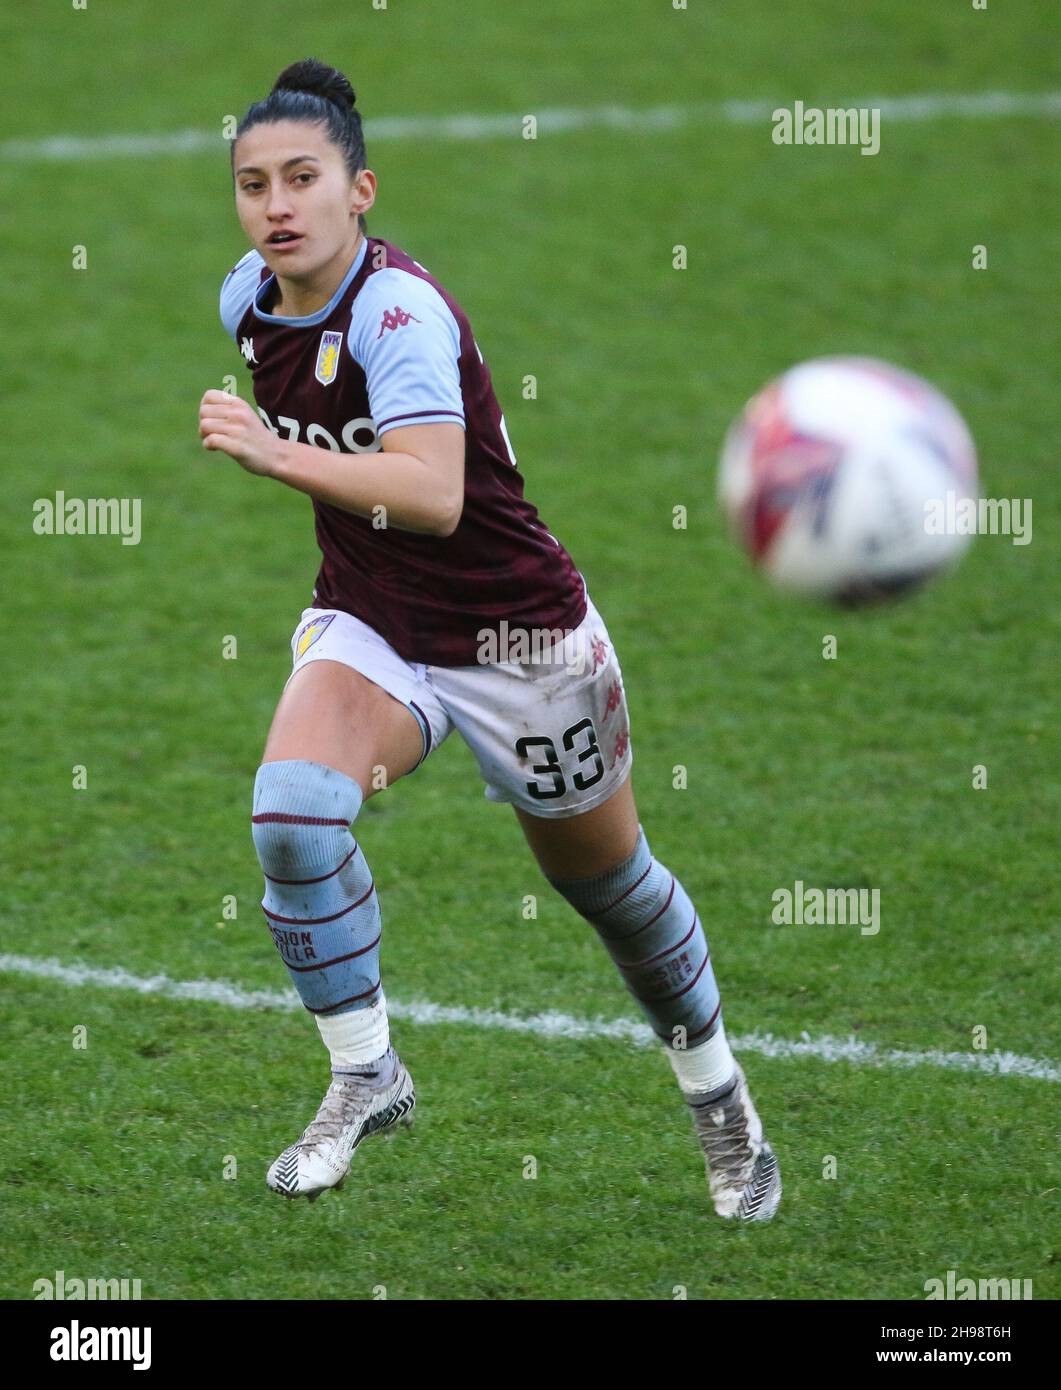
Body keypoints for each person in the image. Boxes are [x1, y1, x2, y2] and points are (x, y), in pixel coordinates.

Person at [199, 57, 781, 1222]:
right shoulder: (247, 302)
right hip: (374, 620)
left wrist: (275, 454)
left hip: (521, 640)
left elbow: (433, 495)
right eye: (254, 182)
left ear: (360, 190)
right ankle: (366, 1073)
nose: (276, 204)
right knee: (293, 819)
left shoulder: (398, 312)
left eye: (303, 178)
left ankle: (720, 1102)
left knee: (608, 888)